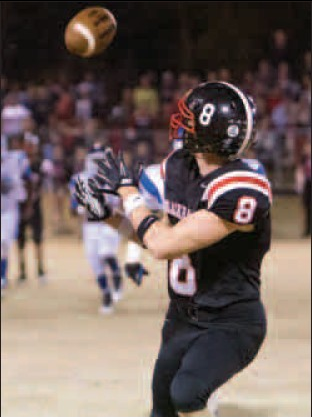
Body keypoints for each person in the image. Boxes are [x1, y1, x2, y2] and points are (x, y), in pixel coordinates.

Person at [75, 82, 272, 416]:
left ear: (211, 131)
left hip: (230, 321)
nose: (185, 123)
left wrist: (128, 194)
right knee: (162, 409)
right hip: (182, 316)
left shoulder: (241, 189)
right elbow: (156, 236)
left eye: (193, 119)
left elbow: (163, 245)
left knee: (188, 393)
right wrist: (109, 217)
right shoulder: (180, 168)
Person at [70, 143, 148, 314]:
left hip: (110, 222)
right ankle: (106, 291)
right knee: (94, 261)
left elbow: (123, 199)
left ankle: (114, 285)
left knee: (106, 253)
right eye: (95, 160)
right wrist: (79, 207)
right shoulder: (80, 178)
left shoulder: (113, 177)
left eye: (100, 160)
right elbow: (73, 204)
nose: (97, 164)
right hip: (90, 225)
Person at [1, 134, 32, 295]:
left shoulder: (16, 160)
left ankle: (2, 277)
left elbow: (29, 179)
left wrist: (27, 204)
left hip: (9, 209)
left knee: (4, 242)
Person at [17, 144, 47, 283]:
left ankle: (40, 270)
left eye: (31, 146)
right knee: (20, 240)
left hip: (35, 206)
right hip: (21, 206)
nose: (29, 149)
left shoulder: (40, 165)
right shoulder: (18, 165)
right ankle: (22, 271)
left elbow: (40, 186)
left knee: (38, 239)